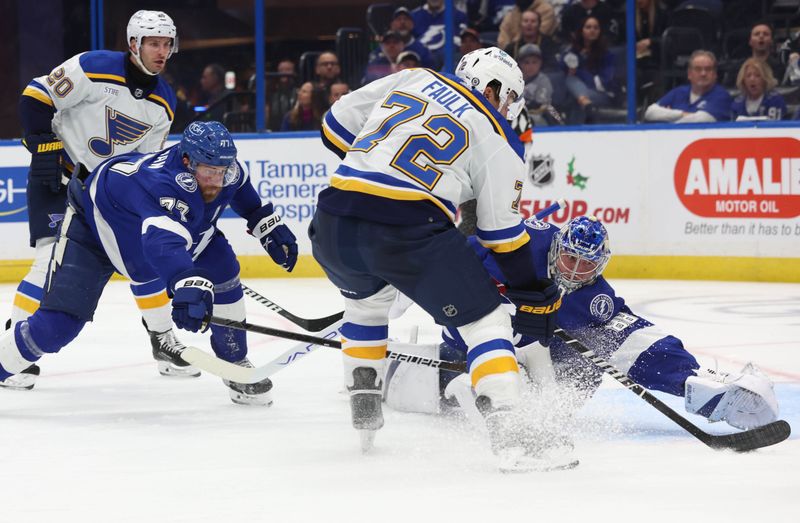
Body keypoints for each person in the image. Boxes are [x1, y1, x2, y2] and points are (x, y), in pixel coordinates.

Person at [314, 47, 561, 470]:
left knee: (367, 305)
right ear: (494, 88)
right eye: (508, 98)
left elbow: (333, 126)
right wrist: (531, 292)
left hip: (333, 217)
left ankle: (365, 410)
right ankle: (513, 434)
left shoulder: (413, 77)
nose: (506, 108)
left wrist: (381, 168)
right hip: (407, 226)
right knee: (487, 320)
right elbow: (502, 235)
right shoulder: (497, 134)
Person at [383, 216, 780, 438]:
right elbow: (450, 256)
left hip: (532, 364)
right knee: (409, 383)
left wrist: (695, 383)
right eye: (569, 260)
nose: (574, 271)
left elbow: (635, 340)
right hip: (468, 347)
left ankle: (516, 413)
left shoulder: (594, 297)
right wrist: (400, 279)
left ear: (600, 265)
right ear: (557, 247)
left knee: (583, 366)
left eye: (586, 265)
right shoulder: (521, 245)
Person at [0, 121, 299, 406]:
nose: (217, 181)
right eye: (210, 171)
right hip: (96, 230)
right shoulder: (162, 185)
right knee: (57, 326)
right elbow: (162, 244)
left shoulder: (225, 169)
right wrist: (186, 282)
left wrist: (267, 225)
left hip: (151, 228)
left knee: (222, 266)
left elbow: (245, 195)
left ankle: (234, 361)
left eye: (223, 170)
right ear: (186, 162)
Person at [7, 10, 189, 390]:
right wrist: (42, 141)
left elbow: (142, 163)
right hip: (57, 178)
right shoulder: (94, 67)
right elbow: (36, 96)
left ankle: (162, 340)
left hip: (104, 196)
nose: (161, 51)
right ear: (133, 44)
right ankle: (12, 347)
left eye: (166, 44)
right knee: (46, 265)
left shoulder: (164, 101)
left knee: (144, 259)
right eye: (153, 43)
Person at [644, 50, 732, 123]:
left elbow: (703, 119)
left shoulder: (721, 95)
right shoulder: (679, 92)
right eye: (698, 69)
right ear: (689, 74)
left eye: (708, 69)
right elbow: (650, 112)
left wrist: (669, 119)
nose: (703, 73)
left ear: (715, 74)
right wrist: (682, 114)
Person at [560, 16, 617, 124]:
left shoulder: (607, 54)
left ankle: (573, 130)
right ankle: (584, 102)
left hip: (602, 94)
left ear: (600, 31)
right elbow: (563, 67)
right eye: (588, 27)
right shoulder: (573, 50)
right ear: (581, 30)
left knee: (575, 96)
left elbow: (603, 83)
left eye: (596, 28)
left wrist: (579, 73)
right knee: (570, 79)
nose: (592, 30)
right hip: (580, 92)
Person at [412, 0, 469, 69]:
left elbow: (461, 42)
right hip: (421, 61)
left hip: (449, 61)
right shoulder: (414, 16)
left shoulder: (458, 15)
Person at [503, 8, 560, 72]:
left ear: (539, 25)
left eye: (533, 21)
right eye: (525, 21)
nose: (529, 24)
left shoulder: (549, 44)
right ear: (520, 25)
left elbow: (552, 68)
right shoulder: (512, 47)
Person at [518, 44, 553, 126]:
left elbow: (540, 107)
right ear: (520, 63)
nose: (531, 66)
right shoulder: (514, 79)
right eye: (527, 62)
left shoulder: (544, 81)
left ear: (540, 63)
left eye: (534, 62)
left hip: (537, 118)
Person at [266, 59, 297, 131]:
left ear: (294, 72)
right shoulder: (272, 91)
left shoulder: (298, 90)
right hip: (275, 128)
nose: (284, 73)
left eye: (288, 70)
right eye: (281, 70)